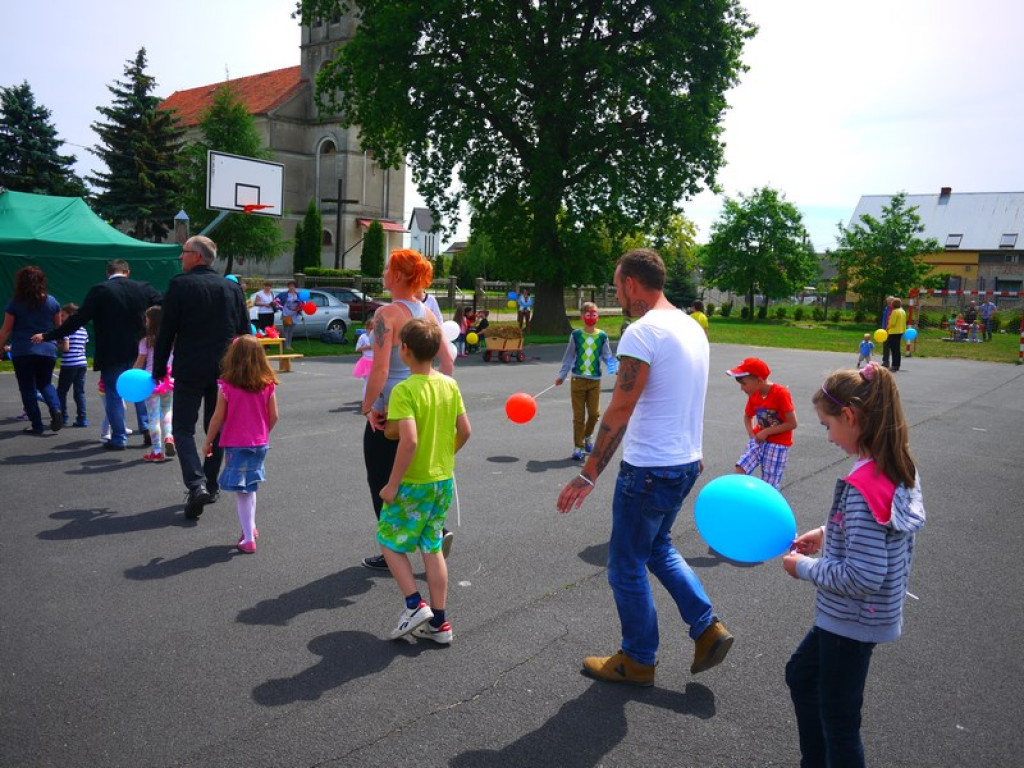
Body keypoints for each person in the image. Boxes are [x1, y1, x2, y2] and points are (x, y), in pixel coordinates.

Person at [556, 248, 733, 686]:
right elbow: (689, 394)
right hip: (684, 461)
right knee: (657, 549)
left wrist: (589, 471)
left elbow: (619, 409)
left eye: (617, 285)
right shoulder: (692, 328)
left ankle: (638, 658)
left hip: (651, 467)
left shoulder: (643, 331)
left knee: (624, 564)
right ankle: (707, 628)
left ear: (632, 284)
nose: (616, 292)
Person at [782, 361, 925, 766]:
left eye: (828, 426)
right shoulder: (896, 466)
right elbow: (884, 525)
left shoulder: (862, 487)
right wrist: (826, 533)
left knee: (840, 723)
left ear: (849, 416)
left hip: (851, 619)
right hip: (860, 618)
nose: (827, 437)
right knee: (802, 675)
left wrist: (804, 568)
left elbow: (862, 575)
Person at [361, 249, 455, 570]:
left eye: (388, 267)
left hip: (389, 414)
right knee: (413, 476)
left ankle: (392, 549)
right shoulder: (427, 314)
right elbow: (448, 361)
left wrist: (368, 406)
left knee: (382, 481)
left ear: (398, 276)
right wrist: (437, 392)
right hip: (422, 407)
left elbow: (381, 370)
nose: (384, 272)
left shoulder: (386, 314)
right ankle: (435, 534)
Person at [379, 318, 471, 642]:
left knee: (388, 540)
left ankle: (414, 603)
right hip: (442, 480)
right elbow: (465, 431)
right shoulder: (449, 384)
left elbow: (409, 440)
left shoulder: (403, 389)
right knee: (431, 547)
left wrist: (392, 484)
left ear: (404, 349)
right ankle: (440, 624)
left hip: (413, 482)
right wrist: (444, 456)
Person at [152, 236, 251, 520]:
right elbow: (245, 333)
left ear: (196, 256)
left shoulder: (180, 285)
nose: (180, 258)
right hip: (225, 370)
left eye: (183, 253)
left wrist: (159, 368)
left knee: (183, 428)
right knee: (215, 427)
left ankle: (196, 485)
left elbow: (166, 330)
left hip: (190, 368)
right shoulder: (232, 288)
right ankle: (211, 483)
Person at [35, 259, 161, 448]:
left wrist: (49, 335)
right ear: (127, 272)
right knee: (142, 390)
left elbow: (78, 319)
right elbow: (164, 306)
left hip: (111, 351)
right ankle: (147, 429)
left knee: (113, 394)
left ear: (107, 274)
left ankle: (119, 438)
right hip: (139, 349)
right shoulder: (143, 288)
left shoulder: (100, 290)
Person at [201, 335, 280, 553]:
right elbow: (274, 416)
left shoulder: (226, 386)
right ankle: (251, 526)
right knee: (250, 487)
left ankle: (247, 538)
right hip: (259, 444)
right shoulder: (267, 385)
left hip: (236, 444)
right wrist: (262, 433)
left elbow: (217, 417)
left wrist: (208, 441)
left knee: (242, 492)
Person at [1, 266, 64, 434]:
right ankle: (56, 409)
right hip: (47, 350)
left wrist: (0, 348)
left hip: (23, 350)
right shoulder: (52, 301)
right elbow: (59, 328)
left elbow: (6, 330)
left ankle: (36, 425)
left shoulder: (15, 303)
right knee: (45, 383)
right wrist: (58, 342)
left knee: (27, 388)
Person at [555, 302, 616, 460]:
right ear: (582, 316)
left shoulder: (602, 336)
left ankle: (587, 436)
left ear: (598, 316)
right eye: (588, 314)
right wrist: (562, 375)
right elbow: (569, 356)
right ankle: (578, 446)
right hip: (578, 380)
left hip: (595, 381)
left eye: (594, 314)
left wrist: (615, 369)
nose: (591, 317)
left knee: (595, 414)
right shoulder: (576, 335)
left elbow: (607, 355)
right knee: (579, 416)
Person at [727, 357, 797, 490]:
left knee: (769, 485)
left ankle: (765, 507)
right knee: (740, 469)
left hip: (778, 445)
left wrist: (766, 432)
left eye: (744, 384)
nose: (741, 388)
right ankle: (736, 498)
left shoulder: (781, 394)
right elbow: (748, 416)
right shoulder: (754, 395)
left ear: (759, 381)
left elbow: (792, 423)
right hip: (758, 441)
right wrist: (751, 434)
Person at [134, 306, 174, 463]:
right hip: (169, 380)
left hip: (150, 381)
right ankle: (169, 436)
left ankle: (156, 450)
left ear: (150, 321)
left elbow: (140, 362)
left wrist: (131, 376)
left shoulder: (146, 341)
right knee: (167, 411)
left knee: (153, 416)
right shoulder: (172, 339)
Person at [56, 303, 89, 427]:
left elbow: (66, 348)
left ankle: (63, 417)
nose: (62, 318)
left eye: (63, 315)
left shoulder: (67, 329)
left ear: (70, 315)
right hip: (82, 363)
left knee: (61, 391)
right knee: (79, 392)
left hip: (69, 364)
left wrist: (57, 345)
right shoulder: (83, 330)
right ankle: (82, 418)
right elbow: (83, 348)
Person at [353, 310, 375, 396]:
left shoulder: (377, 337)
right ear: (366, 328)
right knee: (368, 382)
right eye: (371, 329)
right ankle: (365, 399)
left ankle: (374, 398)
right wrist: (368, 347)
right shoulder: (363, 337)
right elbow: (357, 349)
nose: (372, 331)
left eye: (374, 329)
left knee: (376, 382)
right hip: (367, 362)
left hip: (376, 361)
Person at [277, 281, 303, 351]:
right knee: (286, 330)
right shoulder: (284, 294)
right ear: (288, 287)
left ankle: (289, 345)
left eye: (293, 286)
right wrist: (280, 307)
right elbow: (276, 300)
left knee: (291, 331)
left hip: (295, 315)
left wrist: (300, 308)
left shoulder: (298, 295)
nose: (291, 287)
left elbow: (302, 303)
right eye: (290, 286)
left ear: (295, 287)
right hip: (286, 314)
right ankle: (286, 345)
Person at [884, 297, 907, 371]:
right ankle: (897, 365)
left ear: (894, 304)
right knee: (897, 349)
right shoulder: (902, 311)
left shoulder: (895, 311)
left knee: (893, 349)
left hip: (894, 332)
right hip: (900, 332)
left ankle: (894, 365)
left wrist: (887, 327)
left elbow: (892, 323)